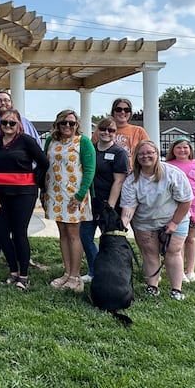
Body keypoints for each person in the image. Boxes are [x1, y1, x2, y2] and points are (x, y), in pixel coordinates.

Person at [121, 140, 193, 300]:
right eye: (141, 154)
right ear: (136, 157)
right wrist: (122, 226)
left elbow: (186, 201)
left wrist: (174, 223)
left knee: (173, 252)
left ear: (157, 154)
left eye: (149, 153)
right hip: (145, 222)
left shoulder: (173, 174)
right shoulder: (131, 180)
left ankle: (176, 289)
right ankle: (152, 286)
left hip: (176, 218)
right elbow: (128, 207)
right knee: (149, 253)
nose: (145, 156)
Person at [0, 90, 41, 269]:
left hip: (22, 188)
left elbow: (39, 153)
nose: (3, 103)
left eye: (6, 100)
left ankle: (22, 261)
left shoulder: (26, 125)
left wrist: (34, 178)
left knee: (19, 228)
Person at [0, 108, 47, 291]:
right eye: (4, 123)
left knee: (19, 233)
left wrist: (35, 180)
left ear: (19, 124)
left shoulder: (26, 141)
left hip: (23, 194)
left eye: (12, 123)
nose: (8, 126)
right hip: (0, 195)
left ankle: (24, 275)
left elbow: (44, 162)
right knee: (1, 232)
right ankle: (13, 271)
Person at [42, 109, 96, 293]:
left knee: (74, 235)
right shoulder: (51, 141)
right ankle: (66, 272)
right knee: (63, 233)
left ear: (77, 125)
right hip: (55, 194)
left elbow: (89, 170)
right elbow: (44, 166)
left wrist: (80, 195)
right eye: (63, 122)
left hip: (74, 196)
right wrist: (43, 191)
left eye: (71, 123)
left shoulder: (83, 142)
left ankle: (75, 276)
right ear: (57, 124)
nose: (67, 126)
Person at [78, 117, 129, 283]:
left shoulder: (119, 153)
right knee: (85, 237)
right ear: (97, 131)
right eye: (103, 129)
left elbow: (119, 181)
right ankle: (95, 270)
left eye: (111, 130)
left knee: (109, 240)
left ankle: (113, 271)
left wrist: (110, 206)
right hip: (89, 201)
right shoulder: (90, 149)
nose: (107, 133)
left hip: (109, 203)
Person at [165, 137, 195, 284]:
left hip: (194, 208)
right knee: (177, 242)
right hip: (174, 210)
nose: (182, 150)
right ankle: (178, 271)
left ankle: (190, 270)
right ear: (173, 150)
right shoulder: (167, 166)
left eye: (185, 147)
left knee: (191, 238)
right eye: (178, 147)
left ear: (190, 150)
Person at [96, 97, 149, 169]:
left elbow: (149, 152)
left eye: (127, 110)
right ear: (113, 112)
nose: (123, 112)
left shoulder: (139, 131)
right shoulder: (101, 131)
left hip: (131, 173)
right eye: (118, 109)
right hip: (105, 175)